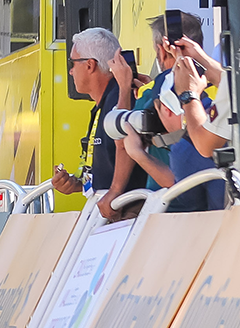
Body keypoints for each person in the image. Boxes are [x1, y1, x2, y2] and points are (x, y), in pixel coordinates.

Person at [122, 36, 230, 213]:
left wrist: (187, 95)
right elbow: (232, 84)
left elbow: (205, 146)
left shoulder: (184, 148)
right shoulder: (224, 101)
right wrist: (201, 60)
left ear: (167, 109)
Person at [52, 27, 133, 218]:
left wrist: (115, 191)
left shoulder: (120, 99)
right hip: (112, 213)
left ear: (90, 65)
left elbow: (126, 146)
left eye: (73, 63)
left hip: (126, 215)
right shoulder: (103, 104)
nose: (71, 71)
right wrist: (77, 184)